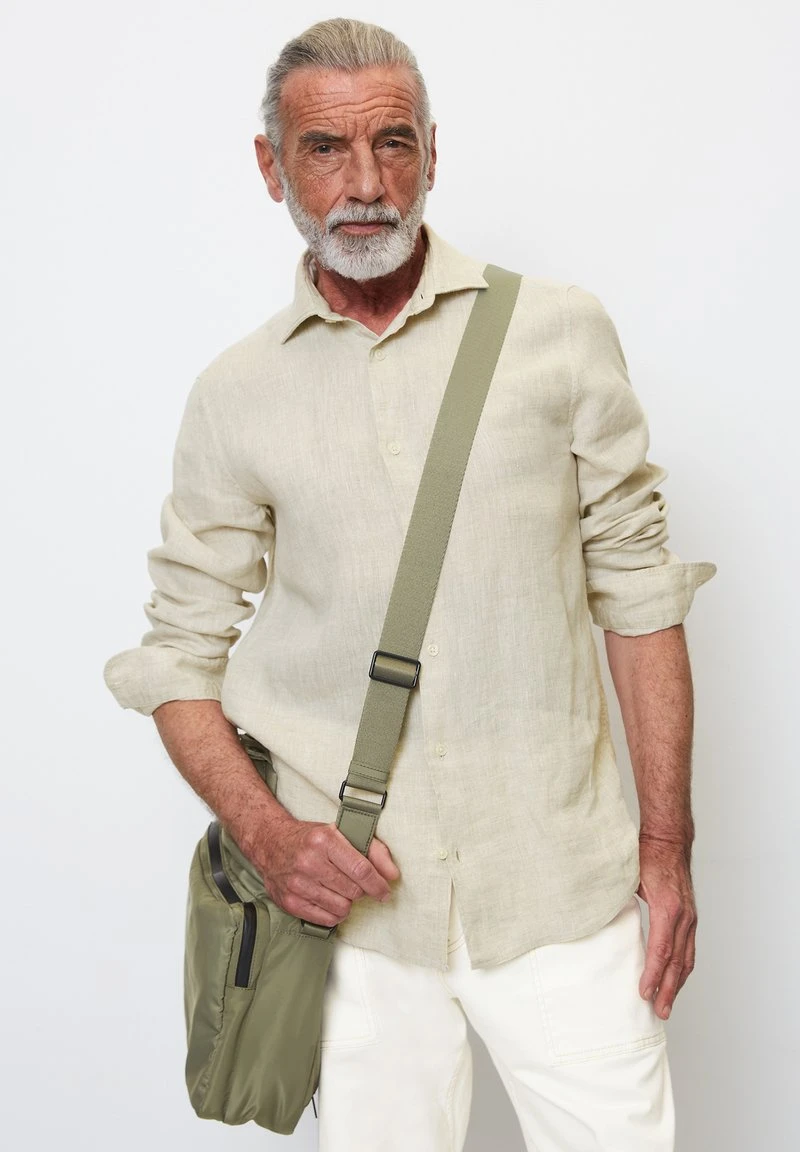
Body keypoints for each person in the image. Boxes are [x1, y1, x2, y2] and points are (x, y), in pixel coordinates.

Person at [104, 17, 717, 1151]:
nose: (366, 184)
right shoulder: (236, 395)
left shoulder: (559, 332)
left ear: (433, 150)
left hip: (560, 889)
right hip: (359, 921)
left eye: (392, 143)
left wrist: (665, 851)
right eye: (324, 150)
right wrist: (269, 837)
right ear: (270, 166)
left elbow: (639, 593)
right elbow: (178, 657)